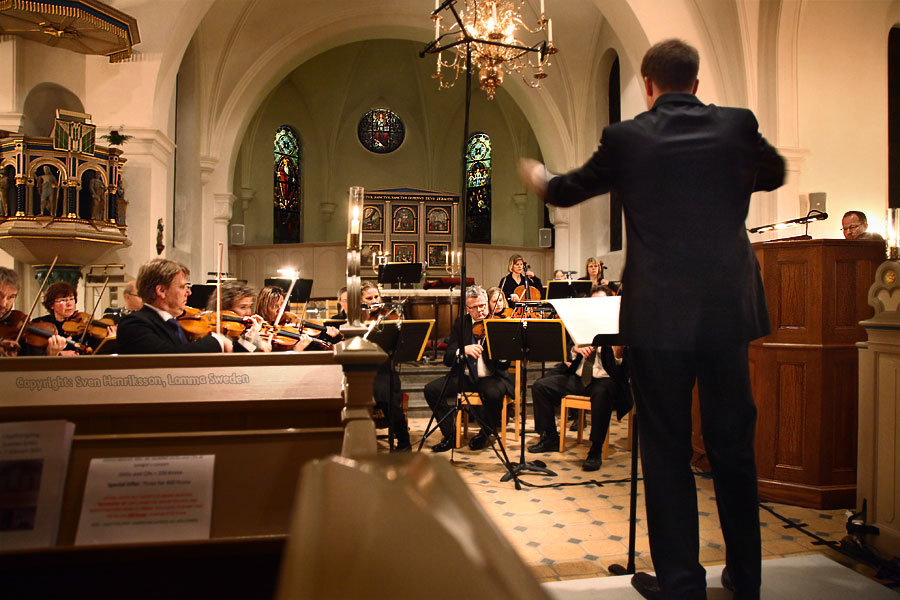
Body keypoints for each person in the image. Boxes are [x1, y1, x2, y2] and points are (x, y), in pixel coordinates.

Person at [519, 39, 785, 600]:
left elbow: (568, 190)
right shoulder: (737, 126)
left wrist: (541, 177)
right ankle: (746, 581)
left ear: (647, 84)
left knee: (665, 451)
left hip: (659, 317)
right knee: (733, 448)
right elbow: (776, 171)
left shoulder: (627, 138)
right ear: (696, 80)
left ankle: (682, 585)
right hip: (724, 312)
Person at [527, 284, 632, 471]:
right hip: (578, 378)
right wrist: (574, 349)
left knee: (602, 394)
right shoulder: (582, 322)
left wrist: (618, 348)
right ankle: (549, 437)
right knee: (541, 386)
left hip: (605, 379)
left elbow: (622, 366)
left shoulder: (619, 325)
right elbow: (567, 348)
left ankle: (596, 449)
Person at [423, 285, 514, 452]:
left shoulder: (498, 324)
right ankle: (450, 434)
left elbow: (504, 365)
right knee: (431, 390)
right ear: (467, 308)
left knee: (494, 394)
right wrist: (462, 350)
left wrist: (503, 352)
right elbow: (448, 358)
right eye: (475, 307)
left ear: (487, 302)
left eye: (483, 306)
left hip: (491, 377)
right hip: (464, 377)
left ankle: (486, 432)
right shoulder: (462, 324)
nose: (480, 311)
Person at [118, 258, 232, 354]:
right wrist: (215, 342)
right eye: (182, 287)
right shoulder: (134, 324)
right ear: (161, 291)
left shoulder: (173, 323)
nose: (188, 292)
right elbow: (168, 357)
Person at [359, 281, 411, 450]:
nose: (374, 300)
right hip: (360, 371)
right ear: (359, 300)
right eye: (369, 298)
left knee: (388, 392)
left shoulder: (388, 316)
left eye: (376, 297)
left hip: (383, 369)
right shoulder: (354, 318)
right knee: (382, 391)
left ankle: (404, 443)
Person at [0, 267, 66, 356]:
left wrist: (51, 355)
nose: (4, 304)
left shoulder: (20, 327)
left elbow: (35, 367)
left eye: (11, 297)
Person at [206, 281, 272, 352]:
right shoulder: (214, 339)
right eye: (243, 307)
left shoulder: (246, 334)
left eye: (249, 307)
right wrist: (249, 341)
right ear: (224, 309)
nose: (248, 312)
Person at [26, 281, 86, 356]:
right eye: (63, 300)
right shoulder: (40, 324)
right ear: (51, 305)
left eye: (71, 299)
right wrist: (59, 354)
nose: (69, 304)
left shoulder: (82, 326)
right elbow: (33, 354)